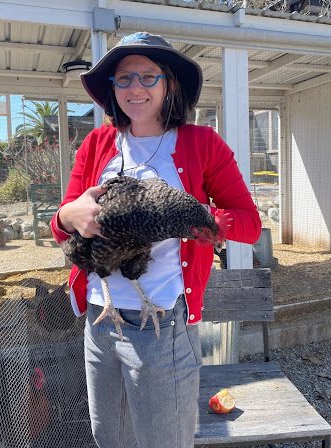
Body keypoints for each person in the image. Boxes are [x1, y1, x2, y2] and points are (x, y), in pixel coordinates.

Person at [51, 32, 261, 448]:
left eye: (149, 77)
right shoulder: (96, 144)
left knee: (162, 440)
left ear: (170, 85)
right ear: (113, 89)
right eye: (124, 78)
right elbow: (64, 228)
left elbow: (249, 224)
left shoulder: (202, 144)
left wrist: (198, 220)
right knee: (108, 436)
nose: (136, 88)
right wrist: (66, 215)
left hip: (158, 323)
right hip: (99, 316)